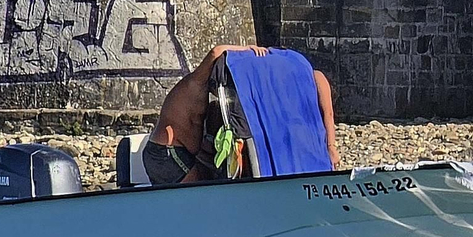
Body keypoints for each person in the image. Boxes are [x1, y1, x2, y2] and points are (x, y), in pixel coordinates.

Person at [142, 44, 339, 185]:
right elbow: (216, 51)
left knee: (205, 187)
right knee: (196, 200)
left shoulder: (206, 98)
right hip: (168, 152)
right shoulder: (194, 83)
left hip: (183, 151)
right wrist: (249, 49)